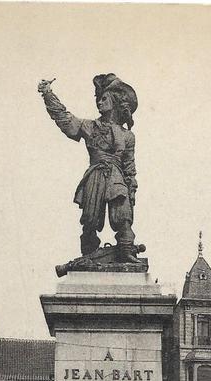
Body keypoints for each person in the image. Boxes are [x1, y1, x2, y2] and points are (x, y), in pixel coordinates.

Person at [38, 74, 139, 262]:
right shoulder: (89, 126)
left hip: (116, 176)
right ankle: (88, 255)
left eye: (104, 98)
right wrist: (48, 94)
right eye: (98, 99)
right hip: (95, 175)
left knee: (123, 215)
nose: (99, 103)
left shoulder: (128, 136)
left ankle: (126, 250)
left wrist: (132, 187)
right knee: (90, 219)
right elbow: (65, 120)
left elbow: (129, 166)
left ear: (115, 103)